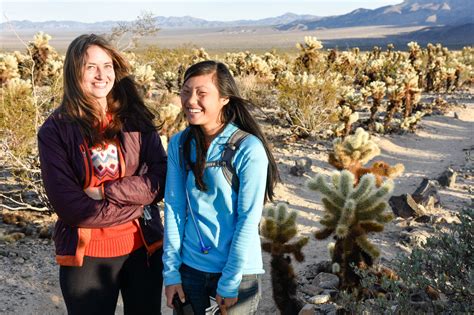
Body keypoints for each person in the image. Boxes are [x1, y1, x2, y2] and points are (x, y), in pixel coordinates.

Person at [38, 34, 167, 315]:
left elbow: (161, 179)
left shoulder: (135, 119)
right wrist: (138, 204)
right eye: (90, 67)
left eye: (107, 65)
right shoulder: (55, 130)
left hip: (142, 249)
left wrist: (107, 192)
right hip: (88, 258)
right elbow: (72, 208)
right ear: (74, 73)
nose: (101, 75)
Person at [163, 60, 280, 315]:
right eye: (186, 91)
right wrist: (171, 272)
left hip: (237, 272)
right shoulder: (179, 144)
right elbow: (174, 208)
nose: (191, 100)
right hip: (190, 269)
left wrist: (229, 280)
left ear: (225, 98)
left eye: (202, 93)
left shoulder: (247, 148)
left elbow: (248, 218)